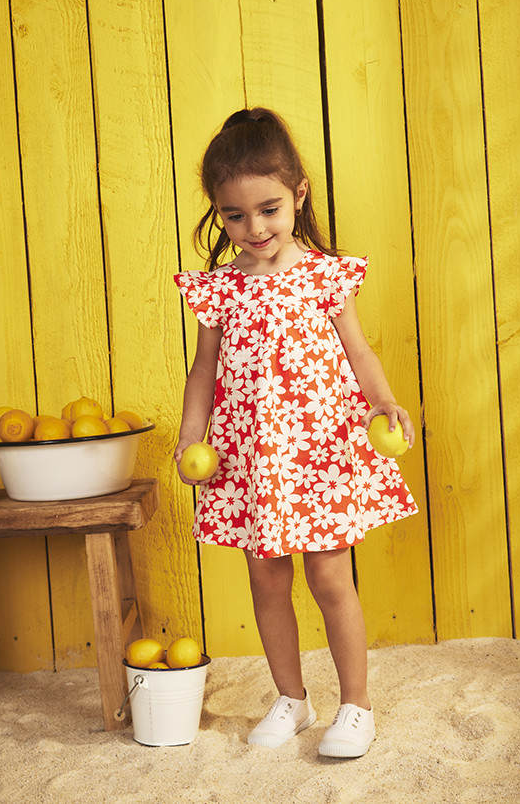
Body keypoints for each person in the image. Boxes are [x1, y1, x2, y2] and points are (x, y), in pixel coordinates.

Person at [174, 107, 418, 758]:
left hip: (318, 454)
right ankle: (292, 698)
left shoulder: (325, 275)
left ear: (299, 194)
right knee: (266, 579)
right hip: (252, 457)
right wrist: (191, 435)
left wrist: (384, 402)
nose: (254, 228)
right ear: (218, 212)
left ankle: (356, 706)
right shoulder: (219, 289)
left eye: (269, 209)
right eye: (235, 215)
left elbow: (359, 351)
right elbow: (203, 370)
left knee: (331, 578)